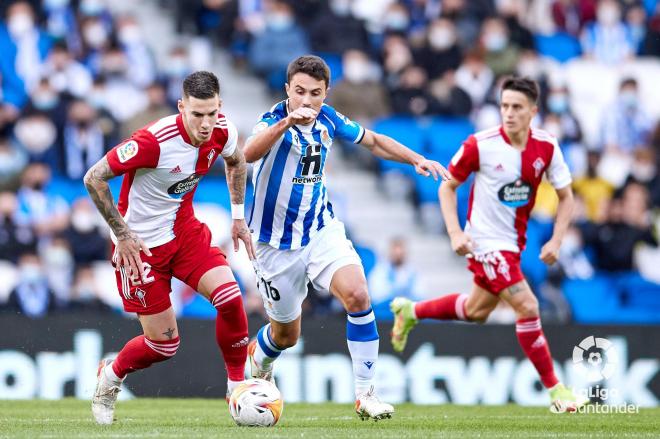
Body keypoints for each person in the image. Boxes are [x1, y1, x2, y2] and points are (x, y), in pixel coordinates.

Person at [243, 55, 449, 421]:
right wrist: (289, 120)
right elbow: (247, 153)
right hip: (273, 245)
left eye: (315, 94)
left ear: (326, 94)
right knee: (286, 335)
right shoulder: (273, 119)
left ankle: (365, 394)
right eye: (300, 92)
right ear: (287, 89)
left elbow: (373, 142)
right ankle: (256, 360)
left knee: (357, 293)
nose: (307, 100)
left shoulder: (330, 118)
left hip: (319, 229)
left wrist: (415, 158)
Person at [390, 77, 586, 413]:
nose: (508, 114)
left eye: (516, 108)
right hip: (483, 242)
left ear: (533, 111)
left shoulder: (547, 147)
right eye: (504, 106)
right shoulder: (480, 144)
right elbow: (446, 188)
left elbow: (567, 198)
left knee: (476, 311)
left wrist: (556, 239)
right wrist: (455, 233)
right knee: (528, 306)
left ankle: (410, 311)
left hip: (513, 244)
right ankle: (557, 390)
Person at [84, 71, 254, 425]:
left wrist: (238, 216)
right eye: (197, 115)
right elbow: (94, 177)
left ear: (219, 106)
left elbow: (237, 161)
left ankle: (237, 387)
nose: (206, 124)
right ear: (181, 108)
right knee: (164, 346)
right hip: (140, 248)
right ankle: (110, 376)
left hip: (185, 232)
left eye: (212, 113)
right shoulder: (153, 141)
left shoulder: (223, 130)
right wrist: (123, 233)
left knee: (230, 298)